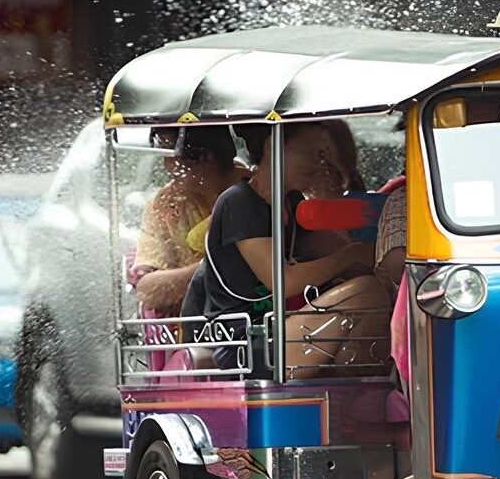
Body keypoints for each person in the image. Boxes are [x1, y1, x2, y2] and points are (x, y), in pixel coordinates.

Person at [183, 122, 386, 378]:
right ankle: (357, 392)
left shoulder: (291, 202)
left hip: (278, 331)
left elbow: (342, 254)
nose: (317, 164)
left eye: (322, 156)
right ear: (272, 147)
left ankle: (358, 394)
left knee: (378, 292)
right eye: (312, 153)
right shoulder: (240, 201)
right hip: (244, 345)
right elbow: (282, 281)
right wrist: (349, 256)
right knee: (366, 292)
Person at [132, 126, 242, 317]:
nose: (166, 164)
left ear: (206, 156)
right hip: (194, 332)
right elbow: (148, 291)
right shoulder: (166, 203)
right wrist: (214, 267)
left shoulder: (259, 192)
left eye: (169, 151)